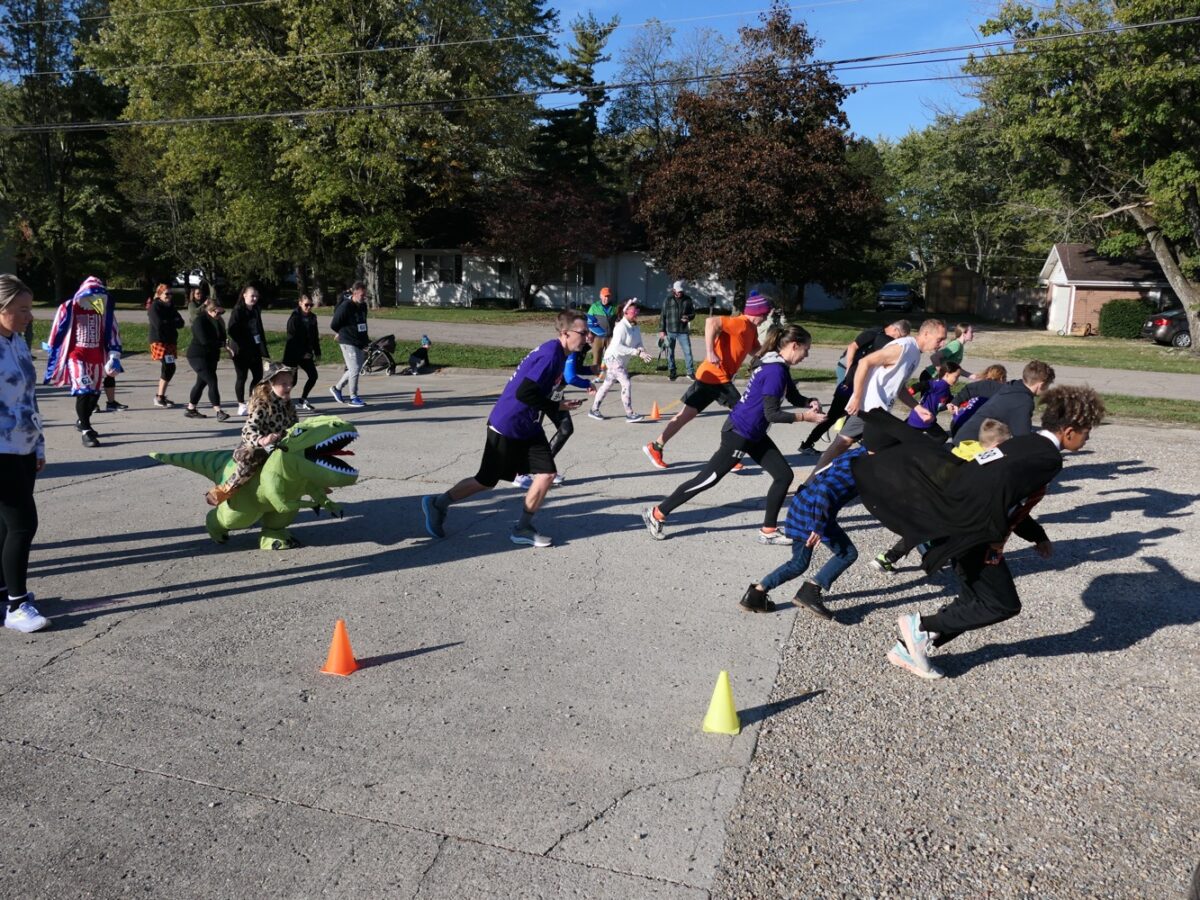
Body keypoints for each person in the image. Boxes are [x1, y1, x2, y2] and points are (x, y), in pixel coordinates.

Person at [850, 387, 1106, 680]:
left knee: (973, 601)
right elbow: (1005, 496)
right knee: (1002, 604)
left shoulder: (1024, 443)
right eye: (1087, 432)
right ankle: (920, 628)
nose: (1088, 438)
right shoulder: (1048, 458)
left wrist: (1035, 534)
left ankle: (906, 650)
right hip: (973, 533)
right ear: (1070, 431)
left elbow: (998, 487)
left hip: (959, 523)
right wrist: (994, 541)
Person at [641, 325, 826, 543]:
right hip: (739, 432)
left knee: (784, 475)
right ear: (794, 345)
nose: (807, 355)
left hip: (753, 432)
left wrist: (808, 402)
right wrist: (805, 418)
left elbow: (793, 396)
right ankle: (657, 514)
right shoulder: (774, 370)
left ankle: (768, 531)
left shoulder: (778, 365)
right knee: (707, 479)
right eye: (806, 349)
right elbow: (773, 413)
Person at [421, 312, 589, 548]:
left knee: (547, 474)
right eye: (582, 333)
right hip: (508, 424)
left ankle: (523, 527)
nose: (587, 337)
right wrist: (554, 406)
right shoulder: (551, 355)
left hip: (529, 425)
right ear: (565, 333)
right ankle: (438, 503)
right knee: (485, 481)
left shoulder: (559, 353)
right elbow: (524, 393)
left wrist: (558, 405)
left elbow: (536, 391)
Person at [643, 291, 775, 469]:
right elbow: (710, 322)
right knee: (743, 413)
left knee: (685, 415)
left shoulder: (750, 329)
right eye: (764, 315)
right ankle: (730, 455)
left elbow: (756, 351)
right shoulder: (739, 322)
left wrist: (775, 356)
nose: (765, 319)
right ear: (756, 312)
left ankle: (655, 447)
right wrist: (710, 352)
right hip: (716, 376)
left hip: (709, 376)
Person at [804, 317, 948, 480]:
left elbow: (898, 387)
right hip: (869, 408)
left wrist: (917, 407)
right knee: (855, 446)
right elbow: (865, 362)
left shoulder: (915, 354)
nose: (942, 344)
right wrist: (857, 397)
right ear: (927, 334)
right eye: (940, 339)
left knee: (848, 445)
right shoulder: (903, 347)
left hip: (880, 411)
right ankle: (812, 483)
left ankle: (818, 482)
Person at [871, 417, 1013, 574]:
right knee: (931, 532)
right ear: (996, 445)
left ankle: (892, 558)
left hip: (936, 497)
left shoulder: (966, 449)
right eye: (1006, 445)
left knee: (927, 531)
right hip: (947, 503)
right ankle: (903, 557)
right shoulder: (981, 460)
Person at [739, 445, 867, 618]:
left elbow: (824, 472)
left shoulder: (858, 452)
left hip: (804, 505)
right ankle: (809, 591)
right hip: (811, 514)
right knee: (846, 553)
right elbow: (825, 489)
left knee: (799, 562)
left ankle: (756, 595)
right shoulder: (861, 464)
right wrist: (818, 525)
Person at [0, 275, 50, 633]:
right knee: (22, 524)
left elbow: (29, 398)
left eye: (29, 309)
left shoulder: (17, 343)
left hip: (23, 446)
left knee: (5, 527)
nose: (29, 316)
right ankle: (17, 606)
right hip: (1, 450)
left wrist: (39, 444)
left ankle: (5, 594)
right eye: (22, 310)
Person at [798, 319, 912, 455]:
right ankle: (809, 443)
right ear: (895, 329)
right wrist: (848, 370)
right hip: (851, 380)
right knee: (836, 414)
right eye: (899, 336)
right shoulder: (874, 333)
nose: (898, 340)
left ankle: (849, 441)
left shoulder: (885, 340)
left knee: (851, 413)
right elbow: (853, 347)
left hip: (860, 380)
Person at [44, 275, 123, 449]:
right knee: (83, 390)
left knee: (94, 394)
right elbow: (58, 327)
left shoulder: (104, 310)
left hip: (96, 358)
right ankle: (86, 430)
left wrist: (114, 356)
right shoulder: (69, 307)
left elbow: (113, 332)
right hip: (76, 356)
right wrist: (52, 348)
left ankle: (82, 421)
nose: (94, 298)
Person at [205, 362, 299, 507]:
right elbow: (248, 430)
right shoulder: (262, 404)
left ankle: (314, 483)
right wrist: (262, 440)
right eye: (283, 383)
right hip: (259, 447)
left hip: (281, 446)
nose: (289, 387)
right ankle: (225, 489)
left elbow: (295, 426)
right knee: (251, 456)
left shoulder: (288, 405)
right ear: (271, 383)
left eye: (290, 383)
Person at [513, 339, 595, 489]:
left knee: (566, 429)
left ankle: (544, 468)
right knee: (533, 430)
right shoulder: (572, 348)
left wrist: (591, 370)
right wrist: (587, 383)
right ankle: (519, 473)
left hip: (556, 392)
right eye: (588, 334)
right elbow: (570, 376)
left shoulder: (581, 348)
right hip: (544, 393)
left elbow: (573, 369)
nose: (592, 338)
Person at [952, 360, 1055, 446]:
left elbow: (973, 387)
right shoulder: (1023, 402)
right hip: (970, 446)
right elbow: (1022, 439)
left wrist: (956, 401)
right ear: (1041, 385)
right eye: (1048, 385)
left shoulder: (1010, 386)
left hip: (961, 437)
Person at [589, 298, 654, 423]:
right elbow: (618, 346)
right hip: (613, 358)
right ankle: (630, 414)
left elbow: (638, 343)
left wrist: (642, 351)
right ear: (625, 312)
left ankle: (594, 409)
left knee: (607, 384)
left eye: (637, 311)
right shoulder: (621, 327)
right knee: (626, 382)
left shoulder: (635, 327)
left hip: (620, 360)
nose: (636, 313)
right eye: (634, 311)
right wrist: (636, 352)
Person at [226, 285, 270, 416]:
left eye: (256, 296)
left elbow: (259, 329)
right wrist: (243, 343)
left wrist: (264, 350)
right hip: (241, 350)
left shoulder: (256, 310)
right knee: (242, 377)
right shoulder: (238, 310)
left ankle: (252, 401)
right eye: (252, 295)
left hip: (255, 349)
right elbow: (232, 330)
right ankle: (241, 404)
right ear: (244, 295)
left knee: (258, 376)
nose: (255, 298)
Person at [184, 299, 230, 422]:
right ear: (209, 311)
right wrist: (221, 344)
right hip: (197, 356)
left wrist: (227, 345)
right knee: (212, 380)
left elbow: (223, 338)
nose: (220, 315)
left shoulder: (218, 321)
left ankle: (191, 409)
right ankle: (218, 411)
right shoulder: (200, 321)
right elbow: (205, 341)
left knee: (201, 383)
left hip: (211, 356)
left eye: (222, 313)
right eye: (217, 313)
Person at [329, 281, 369, 408]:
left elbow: (363, 323)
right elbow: (334, 324)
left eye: (365, 295)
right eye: (362, 295)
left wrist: (365, 341)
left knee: (355, 368)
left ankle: (337, 388)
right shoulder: (346, 306)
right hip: (347, 341)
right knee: (355, 369)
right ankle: (353, 397)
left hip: (359, 341)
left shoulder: (363, 306)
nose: (364, 297)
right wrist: (341, 333)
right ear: (355, 293)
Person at [147, 283, 186, 408]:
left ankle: (161, 396)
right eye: (166, 294)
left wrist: (169, 321)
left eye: (171, 294)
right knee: (168, 366)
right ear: (159, 294)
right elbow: (159, 324)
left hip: (170, 341)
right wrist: (171, 321)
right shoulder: (154, 306)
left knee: (170, 368)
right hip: (159, 341)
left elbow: (181, 323)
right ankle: (159, 397)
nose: (169, 296)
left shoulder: (170, 306)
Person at [283, 294, 321, 412]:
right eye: (306, 304)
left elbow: (314, 336)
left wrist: (317, 351)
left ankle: (303, 400)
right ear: (300, 303)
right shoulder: (294, 318)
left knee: (313, 376)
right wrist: (302, 353)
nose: (309, 307)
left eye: (311, 305)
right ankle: (281, 401)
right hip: (293, 353)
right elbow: (293, 338)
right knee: (291, 381)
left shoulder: (312, 318)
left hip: (306, 353)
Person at [905, 362, 962, 441]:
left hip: (922, 419)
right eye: (956, 377)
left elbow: (948, 399)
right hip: (922, 419)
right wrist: (913, 390)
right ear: (947, 374)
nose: (957, 380)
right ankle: (924, 449)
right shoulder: (938, 384)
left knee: (907, 437)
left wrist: (958, 402)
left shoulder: (946, 388)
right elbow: (923, 384)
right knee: (941, 438)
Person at [948, 363, 1007, 438]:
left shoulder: (976, 385)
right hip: (971, 427)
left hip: (957, 422)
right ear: (1002, 378)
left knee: (957, 448)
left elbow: (964, 392)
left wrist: (955, 402)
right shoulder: (1002, 390)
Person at [660, 280, 696, 381]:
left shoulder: (687, 299)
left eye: (681, 291)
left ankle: (690, 372)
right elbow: (663, 315)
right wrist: (662, 330)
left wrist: (688, 318)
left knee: (688, 352)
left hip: (683, 331)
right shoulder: (668, 299)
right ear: (673, 290)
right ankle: (672, 371)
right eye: (678, 291)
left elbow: (693, 313)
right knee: (670, 352)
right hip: (670, 330)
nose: (680, 293)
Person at [586, 287, 617, 378]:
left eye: (608, 296)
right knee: (597, 357)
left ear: (610, 297)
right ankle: (597, 375)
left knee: (611, 357)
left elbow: (619, 320)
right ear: (600, 296)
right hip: (597, 337)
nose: (606, 298)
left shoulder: (615, 307)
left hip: (610, 337)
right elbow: (589, 322)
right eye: (604, 296)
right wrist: (590, 334)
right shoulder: (594, 307)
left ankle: (611, 375)